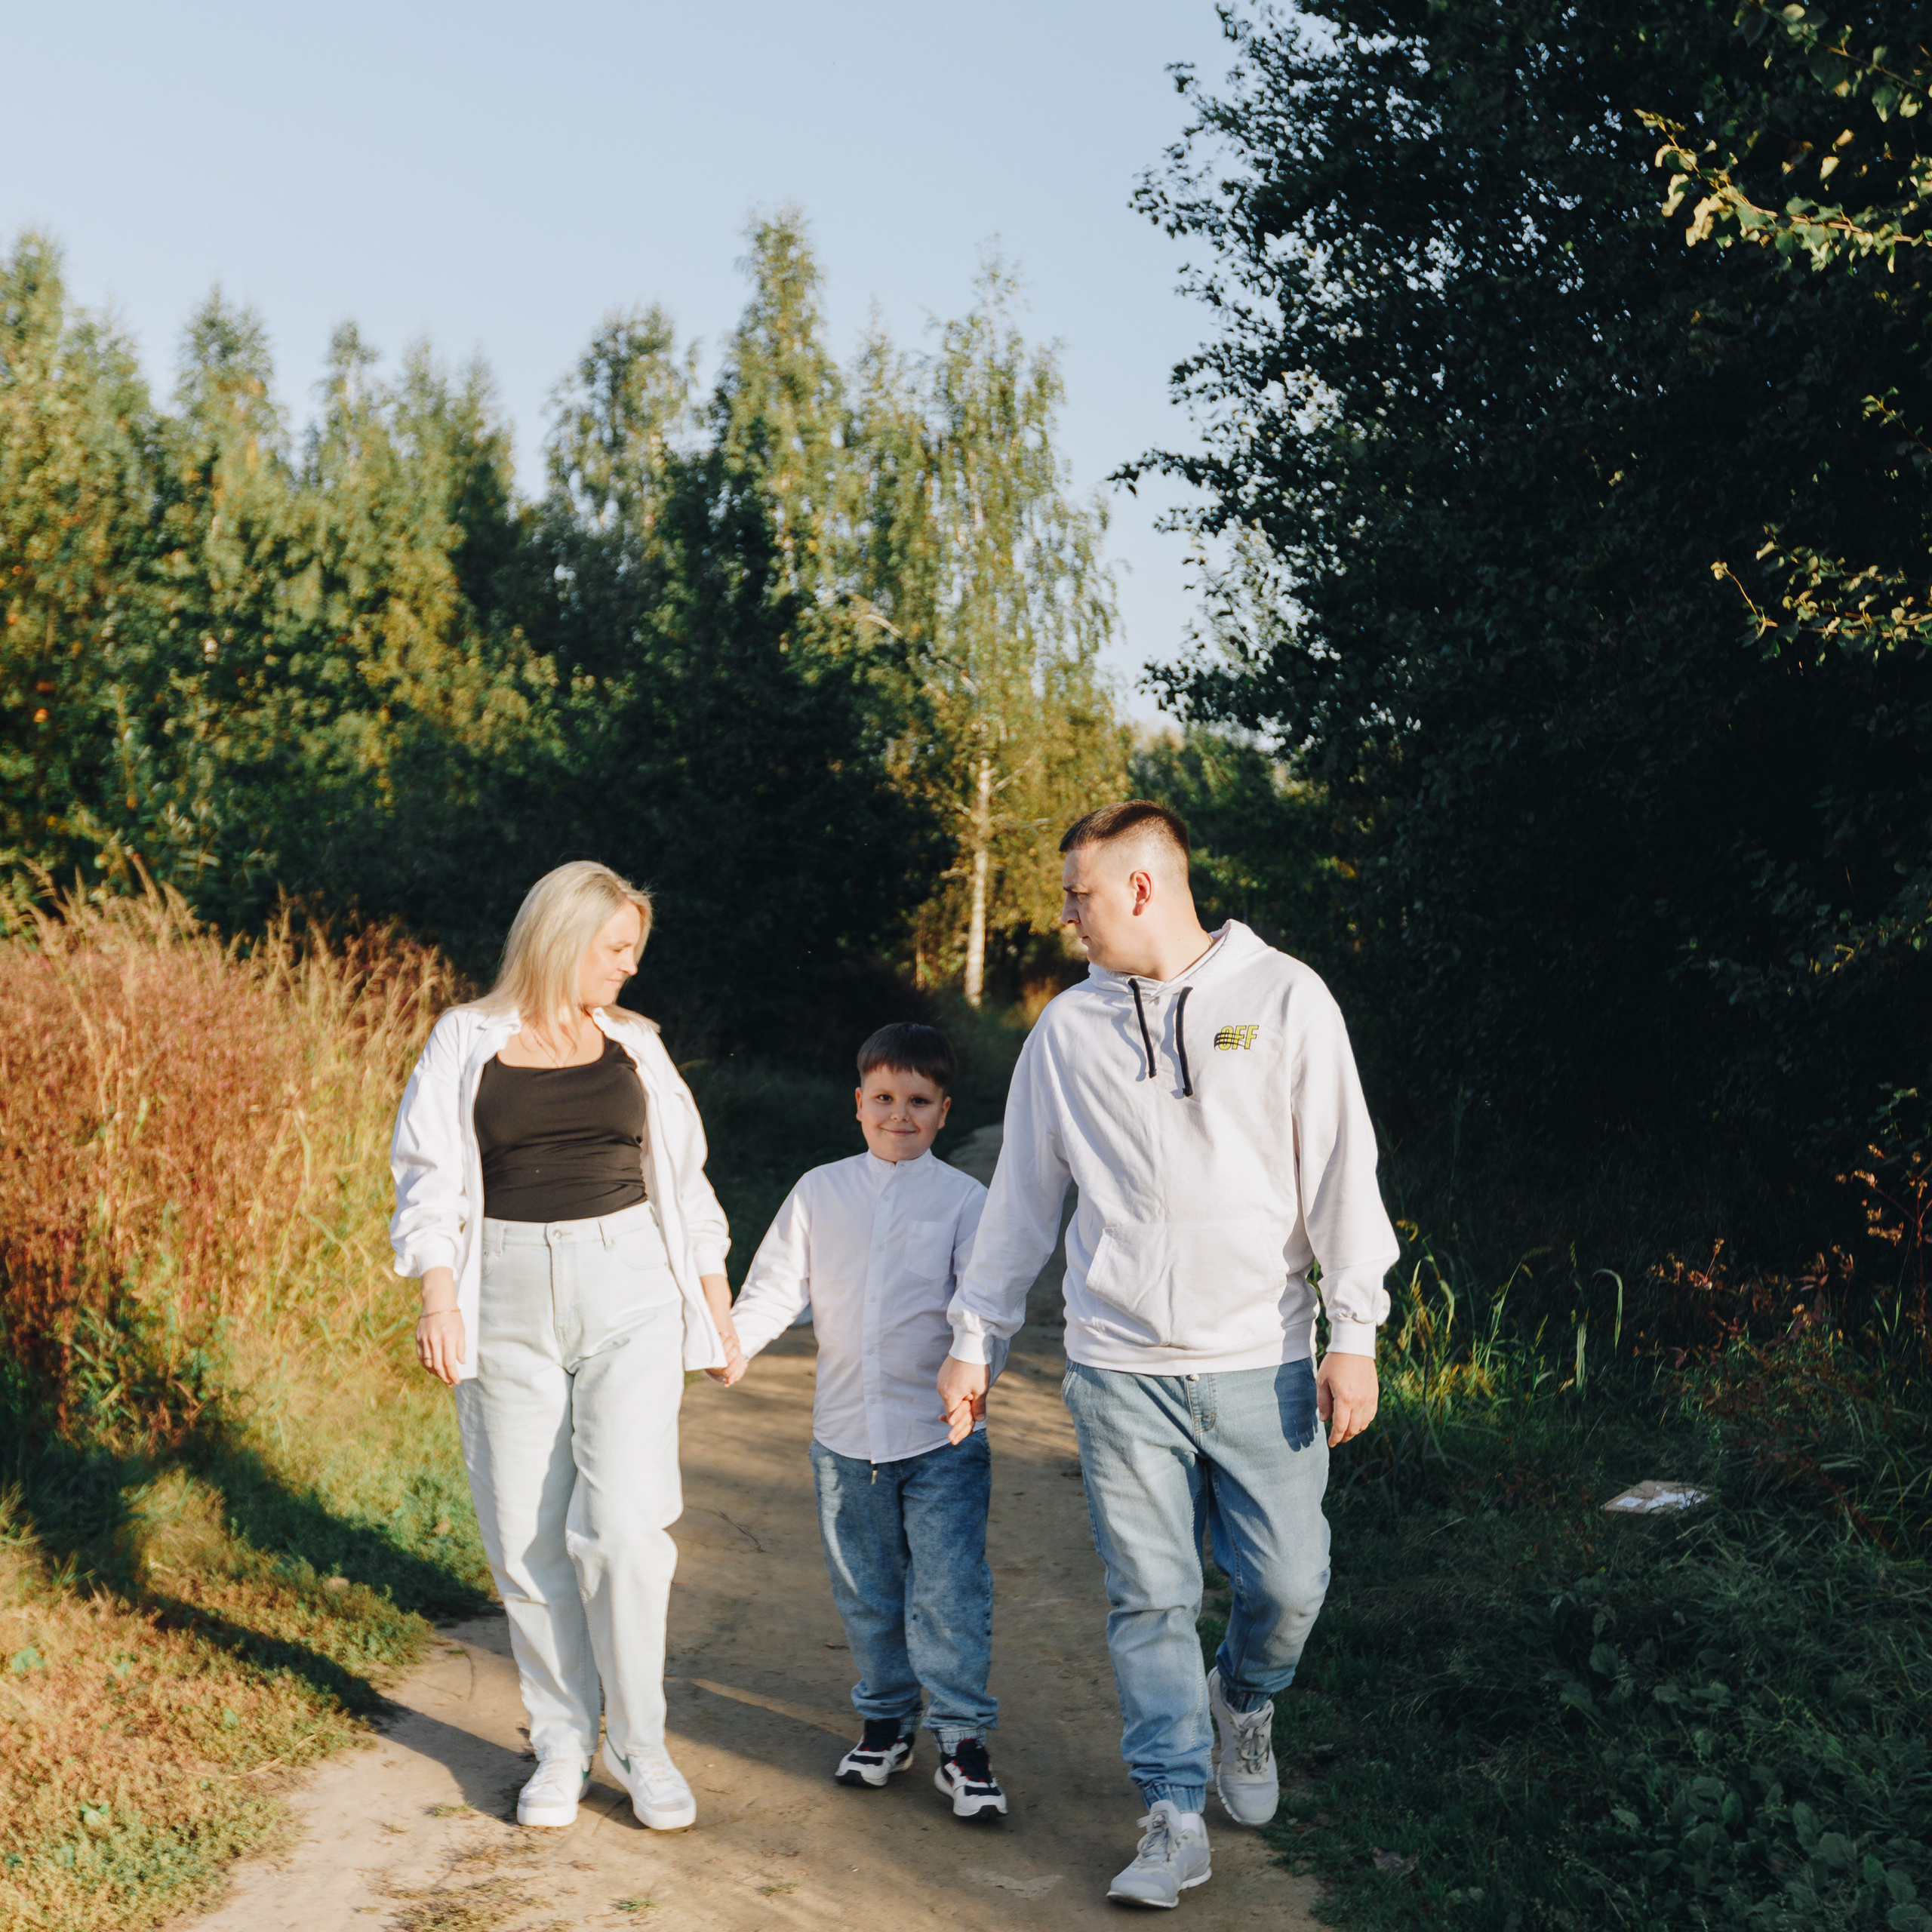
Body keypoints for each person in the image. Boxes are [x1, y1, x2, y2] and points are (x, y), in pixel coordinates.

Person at [937, 801, 1397, 1909]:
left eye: (1078, 895)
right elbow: (1021, 1203)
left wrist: (1356, 1334)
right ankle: (1171, 1812)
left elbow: (1343, 1173)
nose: (1067, 918)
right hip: (1118, 1368)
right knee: (1149, 1597)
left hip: (1267, 1360)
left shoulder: (1284, 998)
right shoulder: (1068, 1030)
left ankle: (1244, 1696)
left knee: (1287, 1584)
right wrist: (973, 1339)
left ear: (1143, 887)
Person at [389, 860, 744, 1833]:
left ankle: (641, 1741)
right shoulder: (465, 1038)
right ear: (561, 938)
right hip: (500, 1292)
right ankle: (559, 1738)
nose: (629, 968)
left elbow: (686, 1179)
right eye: (616, 948)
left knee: (623, 1530)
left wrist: (715, 1303)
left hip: (627, 1281)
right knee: (527, 1537)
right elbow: (428, 1179)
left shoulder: (635, 1045)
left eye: (636, 950)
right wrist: (435, 1297)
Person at [718, 1023, 1008, 1820]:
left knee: (949, 1591)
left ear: (944, 1110)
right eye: (884, 1098)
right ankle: (886, 1719)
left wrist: (976, 1372)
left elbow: (981, 1310)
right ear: (858, 1104)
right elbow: (780, 1284)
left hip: (939, 1438)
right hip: (845, 1437)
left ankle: (961, 1738)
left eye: (918, 1101)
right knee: (866, 1589)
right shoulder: (820, 1191)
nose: (900, 1115)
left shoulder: (964, 1201)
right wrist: (736, 1344)